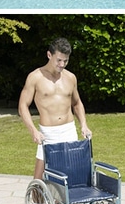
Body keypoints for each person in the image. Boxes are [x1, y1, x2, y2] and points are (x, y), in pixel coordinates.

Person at [18, 37, 91, 180]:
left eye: (66, 61)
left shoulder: (70, 77)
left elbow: (77, 103)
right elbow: (22, 106)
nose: (62, 64)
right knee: (39, 181)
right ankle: (37, 203)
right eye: (59, 60)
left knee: (68, 178)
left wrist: (84, 125)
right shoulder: (35, 77)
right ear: (49, 55)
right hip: (48, 135)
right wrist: (33, 131)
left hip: (69, 132)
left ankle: (59, 203)